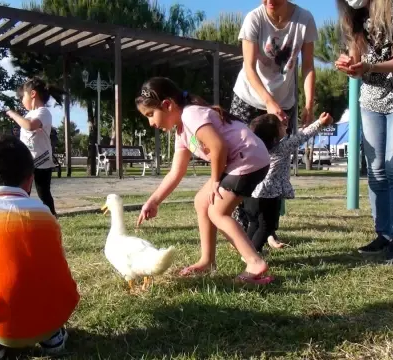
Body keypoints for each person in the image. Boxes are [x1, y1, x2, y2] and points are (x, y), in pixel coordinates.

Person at [0, 134, 79, 360]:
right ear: (30, 180)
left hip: (2, 329)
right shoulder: (43, 212)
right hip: (56, 316)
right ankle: (52, 336)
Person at [134, 77, 273, 285]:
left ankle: (254, 263)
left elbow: (218, 148)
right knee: (201, 201)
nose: (151, 123)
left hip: (249, 159)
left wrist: (215, 181)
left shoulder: (191, 114)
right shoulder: (182, 132)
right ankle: (207, 260)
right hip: (239, 161)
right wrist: (154, 200)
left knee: (217, 211)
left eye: (150, 115)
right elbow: (176, 172)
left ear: (167, 105)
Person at [335, 0, 393, 264]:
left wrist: (369, 67)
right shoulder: (352, 13)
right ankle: (382, 234)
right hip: (371, 99)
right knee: (375, 169)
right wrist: (348, 65)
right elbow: (357, 61)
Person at [230, 0, 318, 236]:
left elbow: (308, 66)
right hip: (249, 98)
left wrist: (308, 103)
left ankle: (268, 227)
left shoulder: (304, 19)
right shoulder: (254, 18)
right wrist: (268, 102)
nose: (269, 2)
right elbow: (249, 67)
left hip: (283, 102)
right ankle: (242, 222)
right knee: (243, 162)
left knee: (276, 165)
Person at [245, 111, 333, 254]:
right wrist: (320, 123)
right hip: (268, 196)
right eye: (281, 126)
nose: (284, 127)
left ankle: (246, 250)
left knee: (254, 223)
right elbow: (302, 136)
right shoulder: (282, 148)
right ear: (274, 136)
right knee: (266, 226)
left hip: (251, 194)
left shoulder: (255, 148)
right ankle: (253, 254)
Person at [7, 77, 64, 216]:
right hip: (27, 161)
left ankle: (51, 218)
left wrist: (13, 114)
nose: (21, 101)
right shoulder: (30, 114)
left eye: (23, 97)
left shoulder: (43, 112)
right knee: (22, 192)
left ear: (32, 94)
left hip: (42, 162)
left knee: (43, 194)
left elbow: (30, 125)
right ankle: (22, 218)